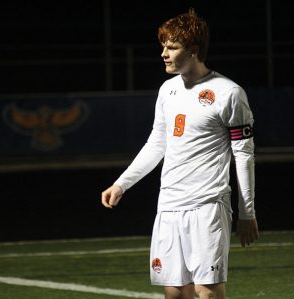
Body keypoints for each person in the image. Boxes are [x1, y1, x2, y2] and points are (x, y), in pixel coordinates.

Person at [101, 9, 258, 299]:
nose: (163, 53)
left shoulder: (229, 93)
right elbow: (157, 143)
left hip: (207, 205)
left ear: (194, 50)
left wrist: (247, 212)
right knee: (175, 293)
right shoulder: (167, 90)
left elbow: (244, 155)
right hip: (169, 205)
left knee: (207, 292)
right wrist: (122, 183)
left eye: (172, 47)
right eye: (163, 46)